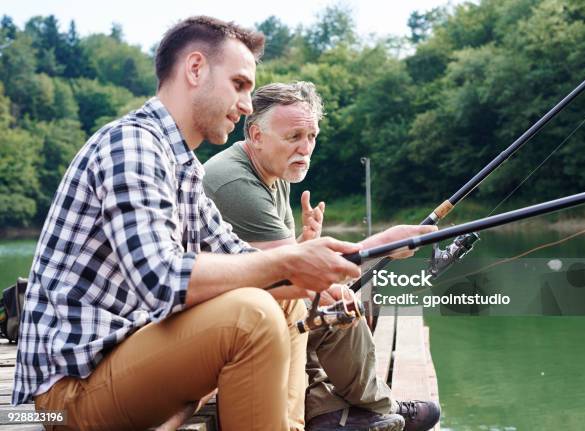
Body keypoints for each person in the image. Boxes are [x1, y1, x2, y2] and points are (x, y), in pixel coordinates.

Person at [12, 17, 366, 431]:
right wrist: (290, 263)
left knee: (282, 300)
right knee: (250, 313)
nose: (249, 105)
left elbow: (242, 258)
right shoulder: (132, 145)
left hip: (125, 363)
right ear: (195, 69)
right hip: (66, 395)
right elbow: (162, 279)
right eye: (239, 85)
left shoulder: (183, 167)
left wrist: (360, 256)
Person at [203, 81, 441, 431]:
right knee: (336, 309)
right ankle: (380, 408)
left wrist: (303, 242)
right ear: (255, 135)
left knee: (326, 302)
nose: (305, 148)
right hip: (219, 328)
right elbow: (295, 274)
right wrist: (381, 244)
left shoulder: (274, 171)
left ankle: (334, 412)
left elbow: (273, 263)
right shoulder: (234, 181)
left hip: (249, 307)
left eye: (311, 136)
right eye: (294, 136)